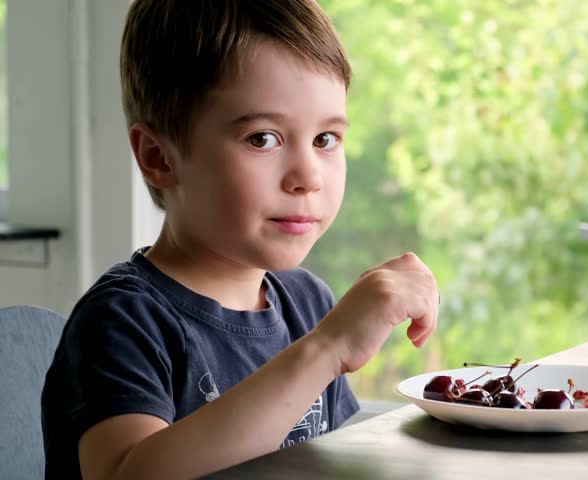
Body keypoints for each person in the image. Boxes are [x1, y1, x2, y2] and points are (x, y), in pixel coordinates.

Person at [40, 1, 439, 478]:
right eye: (262, 139)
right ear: (159, 158)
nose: (308, 177)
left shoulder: (308, 303)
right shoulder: (123, 322)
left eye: (326, 139)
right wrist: (327, 349)